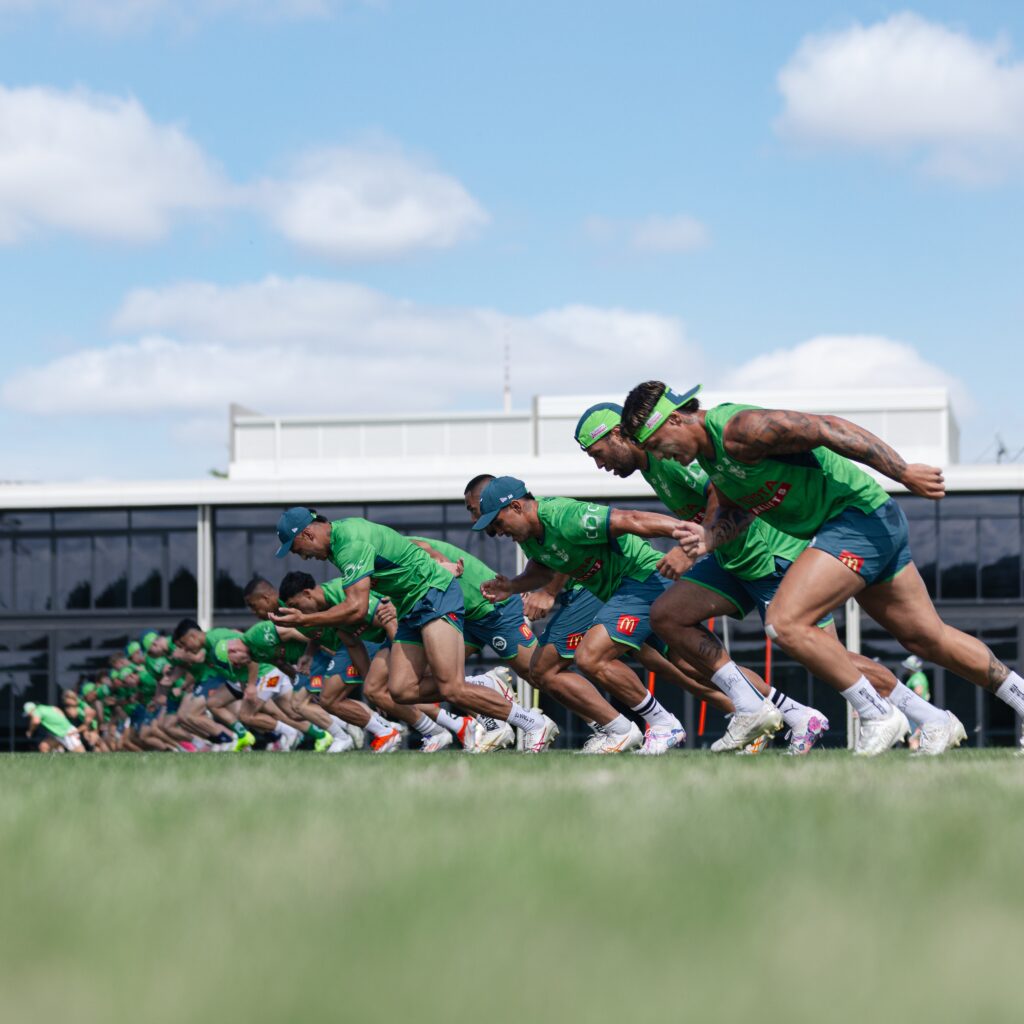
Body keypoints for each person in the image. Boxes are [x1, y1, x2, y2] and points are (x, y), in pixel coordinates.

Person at [618, 381, 987, 756]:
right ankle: (752, 708)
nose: (659, 455)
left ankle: (893, 714)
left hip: (779, 552)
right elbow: (736, 504)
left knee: (807, 636)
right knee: (668, 615)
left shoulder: (739, 427)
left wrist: (903, 472)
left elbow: (827, 427)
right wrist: (708, 540)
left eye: (653, 444)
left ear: (675, 420)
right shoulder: (701, 458)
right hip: (736, 560)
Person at [574, 401, 892, 753]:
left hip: (767, 554)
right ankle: (768, 709)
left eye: (598, 453)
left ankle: (915, 713)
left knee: (822, 652)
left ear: (619, 434)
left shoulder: (668, 454)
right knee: (669, 620)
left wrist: (693, 547)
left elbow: (721, 493)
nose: (600, 464)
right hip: (733, 559)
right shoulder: (652, 463)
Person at [272, 507, 559, 752]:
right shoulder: (340, 542)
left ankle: (532, 722)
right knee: (401, 690)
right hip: (410, 605)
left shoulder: (349, 542)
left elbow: (357, 608)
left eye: (298, 550)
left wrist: (305, 621)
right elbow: (411, 548)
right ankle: (484, 684)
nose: (304, 558)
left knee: (452, 687)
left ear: (306, 534)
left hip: (434, 593)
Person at [474, 476, 699, 755]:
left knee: (592, 657)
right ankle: (755, 703)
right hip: (615, 591)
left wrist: (688, 534)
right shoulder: (530, 536)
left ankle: (660, 724)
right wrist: (512, 586)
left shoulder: (564, 516)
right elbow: (543, 568)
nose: (497, 532)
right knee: (694, 664)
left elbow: (631, 518)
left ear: (517, 507)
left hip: (640, 577)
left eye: (497, 523)